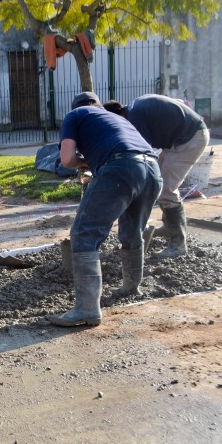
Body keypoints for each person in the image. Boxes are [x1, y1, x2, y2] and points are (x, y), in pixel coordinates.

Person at [48, 91, 162, 327]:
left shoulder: (75, 114)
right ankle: (131, 288)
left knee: (84, 233)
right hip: (152, 170)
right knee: (132, 231)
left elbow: (67, 159)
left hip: (122, 167)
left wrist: (83, 162)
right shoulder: (116, 118)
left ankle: (87, 309)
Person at [103, 94, 210, 258]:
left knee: (166, 190)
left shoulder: (134, 118)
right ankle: (169, 227)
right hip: (179, 137)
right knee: (157, 182)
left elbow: (141, 152)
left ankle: (178, 244)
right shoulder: (133, 107)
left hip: (189, 139)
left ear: (117, 116)